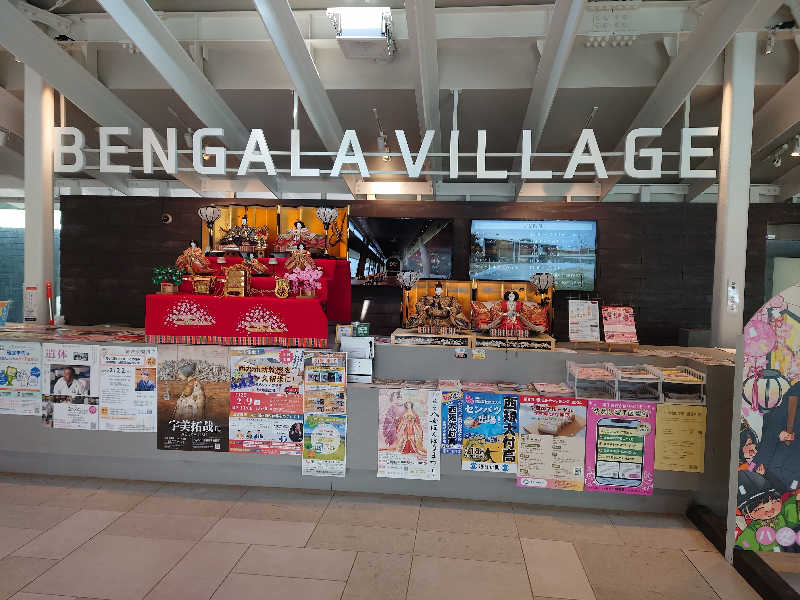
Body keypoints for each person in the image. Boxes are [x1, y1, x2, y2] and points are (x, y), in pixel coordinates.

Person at [736, 470, 800, 552]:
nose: (770, 511)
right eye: (760, 509)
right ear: (748, 514)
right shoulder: (752, 529)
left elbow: (793, 506)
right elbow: (745, 544)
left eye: (774, 502)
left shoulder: (785, 510)